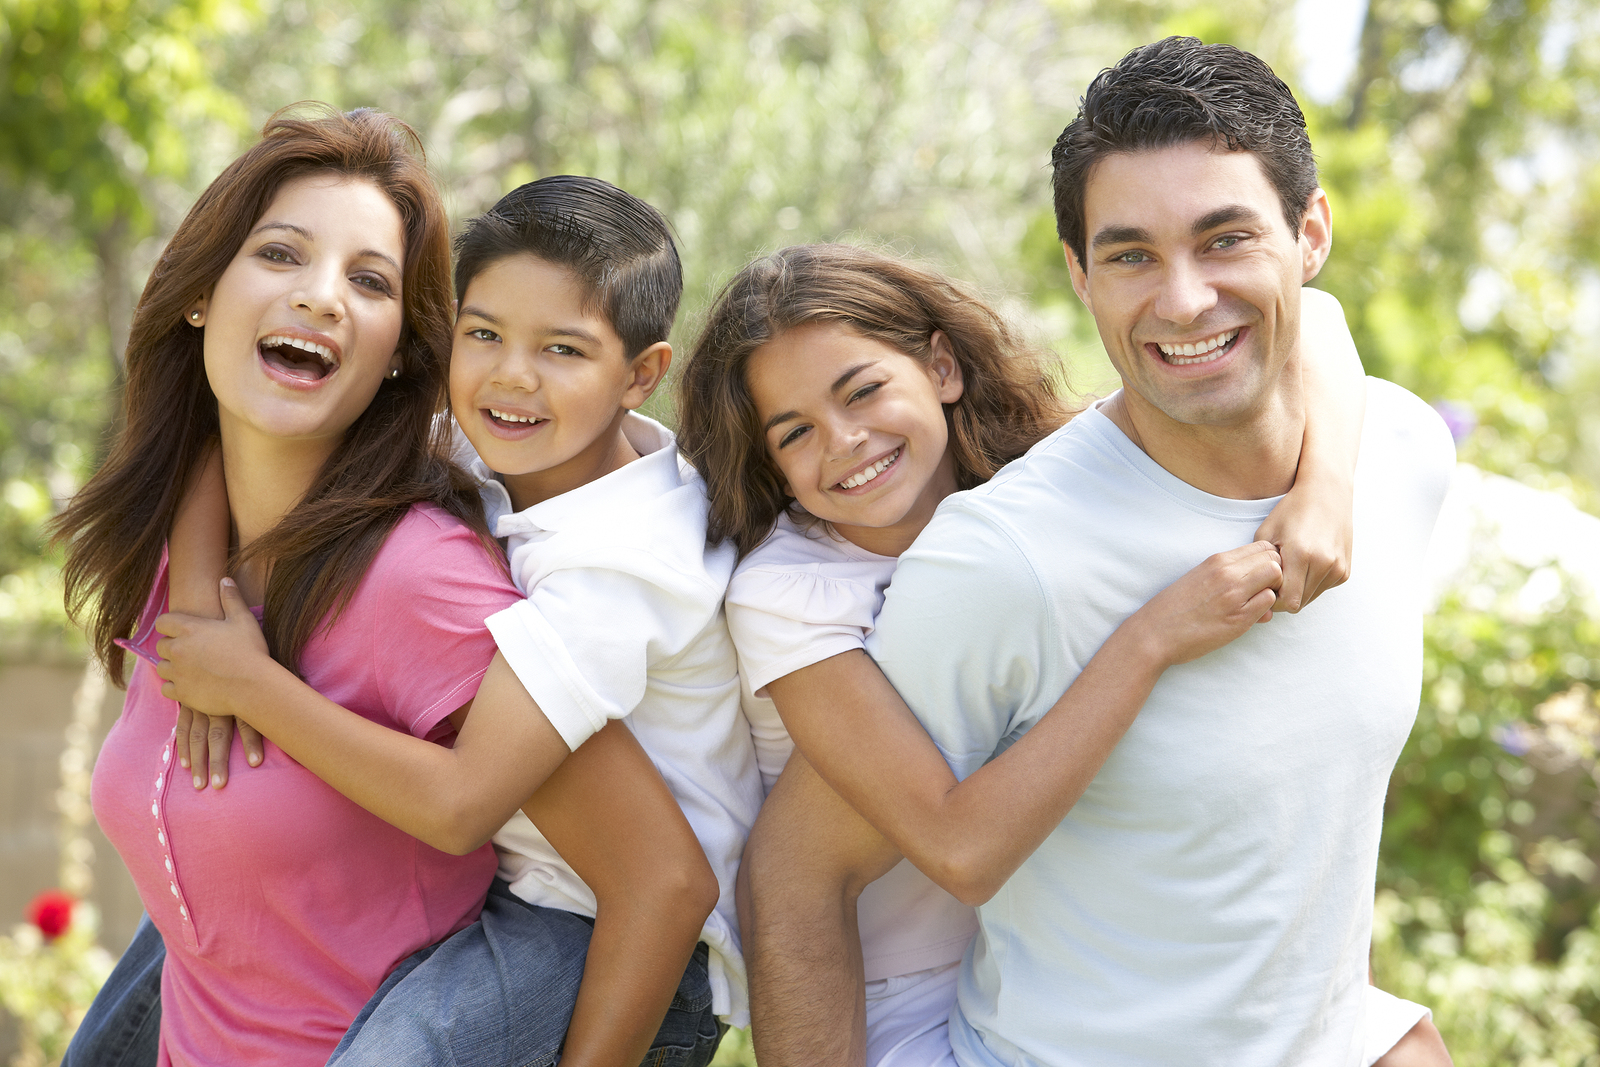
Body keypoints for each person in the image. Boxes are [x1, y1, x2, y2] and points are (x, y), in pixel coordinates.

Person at [54, 109, 716, 1067]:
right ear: (201, 292)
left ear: (404, 347)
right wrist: (199, 585)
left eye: (369, 281)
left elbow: (656, 874)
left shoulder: (420, 579)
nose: (321, 298)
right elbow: (210, 437)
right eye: (281, 254)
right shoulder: (184, 550)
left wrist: (253, 687)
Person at [679, 244, 1442, 1066]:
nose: (844, 441)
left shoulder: (1031, 490)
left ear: (942, 366)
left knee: (1401, 1041)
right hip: (899, 989)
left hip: (1060, 951)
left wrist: (1324, 485)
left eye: (863, 390)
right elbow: (955, 847)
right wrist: (1151, 639)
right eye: (794, 433)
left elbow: (1315, 316)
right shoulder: (791, 591)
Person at [855, 37, 1454, 1066]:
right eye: (1131, 254)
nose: (1181, 300)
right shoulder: (1001, 560)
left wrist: (1370, 1029)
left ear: (1310, 234)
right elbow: (800, 865)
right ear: (1081, 275)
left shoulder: (1395, 455)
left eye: (1224, 239)